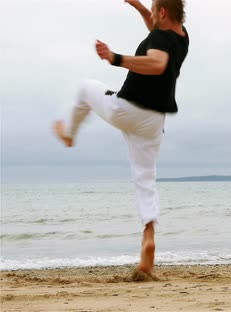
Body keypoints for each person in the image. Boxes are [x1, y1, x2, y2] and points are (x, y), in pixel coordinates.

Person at [53, 0, 189, 280]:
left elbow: (157, 63)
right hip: (154, 121)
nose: (151, 15)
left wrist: (115, 58)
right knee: (145, 179)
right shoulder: (180, 36)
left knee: (86, 88)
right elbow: (157, 31)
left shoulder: (160, 42)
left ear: (163, 13)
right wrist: (139, 6)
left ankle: (69, 135)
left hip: (127, 110)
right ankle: (148, 236)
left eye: (154, 9)